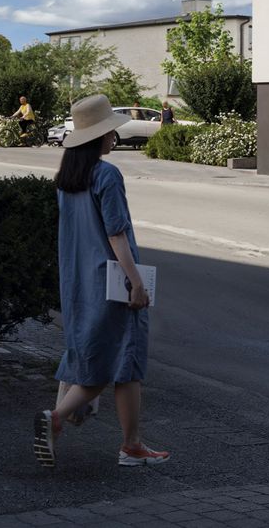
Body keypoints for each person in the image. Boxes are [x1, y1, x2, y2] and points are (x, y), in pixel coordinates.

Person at [36, 94, 168, 470]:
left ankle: (130, 444)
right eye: (110, 131)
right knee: (122, 361)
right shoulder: (107, 174)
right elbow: (116, 233)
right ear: (98, 136)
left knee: (101, 356)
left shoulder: (67, 180)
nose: (113, 136)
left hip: (79, 280)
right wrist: (136, 282)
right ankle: (59, 419)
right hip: (113, 282)